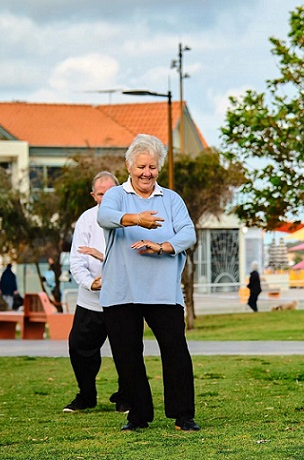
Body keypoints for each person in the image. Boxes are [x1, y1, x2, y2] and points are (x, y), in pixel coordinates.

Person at [97, 134, 199, 432]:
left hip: (162, 289)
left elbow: (188, 233)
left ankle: (183, 416)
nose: (146, 173)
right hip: (121, 290)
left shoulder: (171, 199)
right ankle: (138, 416)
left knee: (175, 351)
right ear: (129, 166)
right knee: (127, 354)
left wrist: (163, 247)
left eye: (152, 167)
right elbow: (105, 216)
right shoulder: (116, 195)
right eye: (141, 166)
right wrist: (136, 219)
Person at [63, 171, 128, 414]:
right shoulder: (86, 220)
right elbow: (77, 261)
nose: (106, 198)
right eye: (101, 193)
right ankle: (86, 395)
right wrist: (92, 283)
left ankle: (126, 397)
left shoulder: (128, 219)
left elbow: (131, 257)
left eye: (111, 192)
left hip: (122, 299)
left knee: (126, 350)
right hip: (90, 301)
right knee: (79, 347)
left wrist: (109, 269)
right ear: (94, 196)